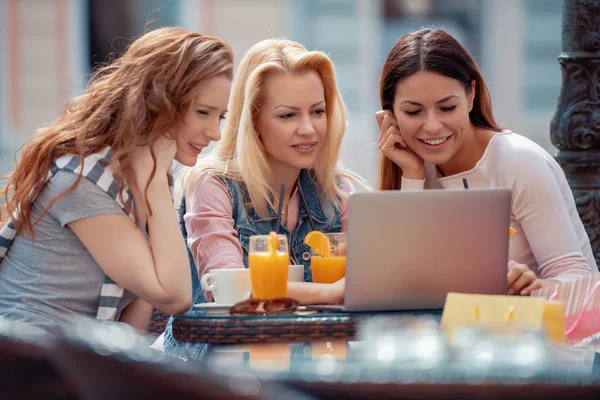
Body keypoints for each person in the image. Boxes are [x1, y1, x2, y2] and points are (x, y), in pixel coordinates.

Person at [0, 27, 234, 336]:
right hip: (27, 356)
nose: (215, 133)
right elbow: (175, 297)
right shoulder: (80, 180)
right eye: (203, 112)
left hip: (79, 360)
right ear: (159, 102)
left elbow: (130, 329)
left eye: (220, 117)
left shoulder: (144, 175)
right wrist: (154, 187)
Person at [159, 38, 364, 357]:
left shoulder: (337, 191)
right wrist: (331, 292)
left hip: (318, 364)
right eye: (288, 116)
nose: (309, 129)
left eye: (318, 111)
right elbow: (232, 293)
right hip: (221, 368)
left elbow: (371, 284)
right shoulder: (212, 184)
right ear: (252, 121)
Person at [376, 28, 594, 297]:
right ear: (391, 113)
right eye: (413, 111)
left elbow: (579, 280)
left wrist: (528, 287)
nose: (432, 126)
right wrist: (411, 175)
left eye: (447, 108)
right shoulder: (414, 167)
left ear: (470, 96)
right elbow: (403, 284)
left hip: (534, 335)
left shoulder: (519, 162)